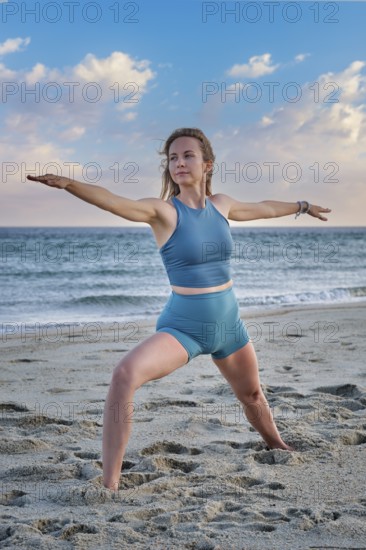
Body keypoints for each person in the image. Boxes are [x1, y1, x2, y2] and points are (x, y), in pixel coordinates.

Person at [27, 127, 331, 491]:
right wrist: (69, 184)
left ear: (207, 165)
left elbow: (264, 208)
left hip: (228, 325)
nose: (179, 163)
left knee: (252, 395)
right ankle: (109, 483)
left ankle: (278, 445)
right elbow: (114, 201)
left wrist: (302, 206)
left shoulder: (222, 205)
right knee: (124, 375)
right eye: (172, 157)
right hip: (184, 327)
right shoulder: (163, 212)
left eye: (187, 155)